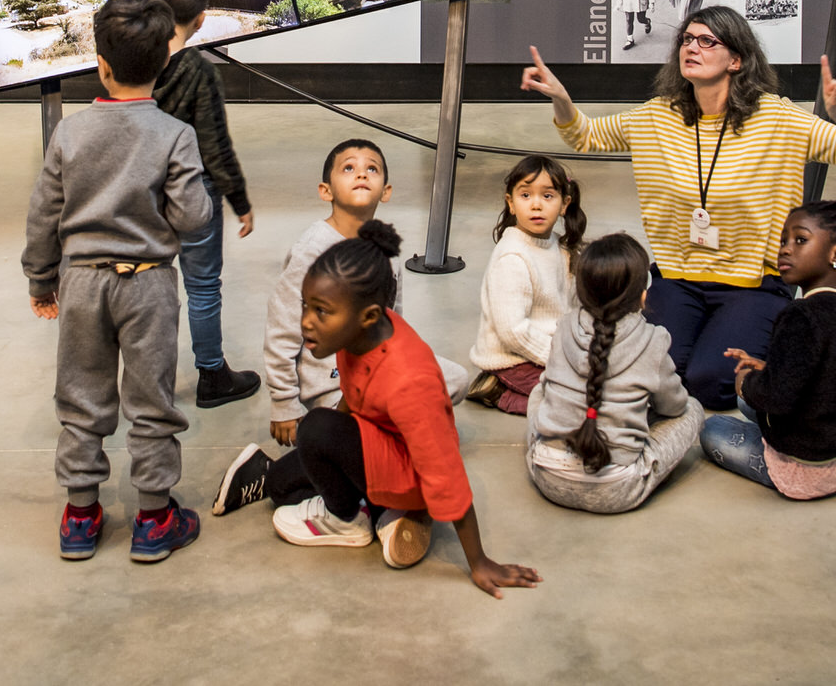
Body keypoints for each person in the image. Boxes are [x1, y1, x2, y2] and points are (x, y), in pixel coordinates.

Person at [522, 6, 836, 409]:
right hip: (679, 279)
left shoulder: (777, 118)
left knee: (711, 383)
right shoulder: (657, 117)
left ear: (736, 59)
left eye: (707, 41)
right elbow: (584, 135)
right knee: (657, 376)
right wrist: (560, 98)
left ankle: (815, 368)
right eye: (686, 40)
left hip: (753, 284)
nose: (691, 47)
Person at [211, 222, 542, 598]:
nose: (306, 321)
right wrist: (329, 443)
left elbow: (446, 473)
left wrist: (479, 562)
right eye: (306, 305)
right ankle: (379, 512)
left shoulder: (408, 382)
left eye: (321, 311)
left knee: (316, 429)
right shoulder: (358, 332)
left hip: (410, 474)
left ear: (368, 315)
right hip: (378, 444)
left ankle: (353, 520)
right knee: (280, 486)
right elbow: (353, 394)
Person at [23, 0, 213, 563]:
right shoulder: (175, 135)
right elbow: (194, 218)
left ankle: (81, 515)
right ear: (163, 64)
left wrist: (40, 280)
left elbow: (43, 215)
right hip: (149, 283)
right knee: (151, 399)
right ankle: (154, 519)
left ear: (99, 64)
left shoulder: (70, 134)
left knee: (81, 396)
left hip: (81, 283)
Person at [259, 139, 464, 444]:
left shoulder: (385, 248)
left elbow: (393, 319)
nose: (362, 174)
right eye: (349, 168)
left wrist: (408, 366)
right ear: (325, 190)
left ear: (386, 191)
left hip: (377, 366)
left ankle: (379, 430)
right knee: (378, 436)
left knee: (455, 379)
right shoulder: (312, 251)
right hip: (331, 384)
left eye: (372, 168)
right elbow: (282, 329)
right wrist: (283, 402)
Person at [699, 200, 836, 500]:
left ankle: (779, 471)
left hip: (806, 469)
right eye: (784, 240)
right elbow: (820, 365)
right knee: (746, 405)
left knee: (712, 429)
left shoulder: (798, 315)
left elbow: (776, 398)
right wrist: (766, 367)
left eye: (800, 240)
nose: (785, 249)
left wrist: (745, 381)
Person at [145, 0, 261, 409]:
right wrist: (239, 199)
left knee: (150, 285)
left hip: (142, 193)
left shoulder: (133, 57)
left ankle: (150, 382)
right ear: (201, 18)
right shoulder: (198, 70)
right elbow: (215, 145)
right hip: (195, 194)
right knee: (203, 286)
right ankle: (212, 375)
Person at [524, 232, 703, 514]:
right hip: (618, 490)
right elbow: (674, 406)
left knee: (539, 390)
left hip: (547, 476)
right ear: (643, 296)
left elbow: (549, 385)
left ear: (580, 291)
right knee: (692, 409)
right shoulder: (653, 341)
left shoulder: (565, 325)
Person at [467, 155, 585, 416]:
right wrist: (560, 360)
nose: (536, 205)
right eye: (525, 195)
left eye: (547, 196)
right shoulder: (512, 257)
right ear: (511, 203)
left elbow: (572, 308)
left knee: (602, 385)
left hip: (547, 350)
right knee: (579, 402)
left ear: (565, 204)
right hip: (514, 359)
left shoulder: (559, 246)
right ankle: (499, 392)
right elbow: (513, 332)